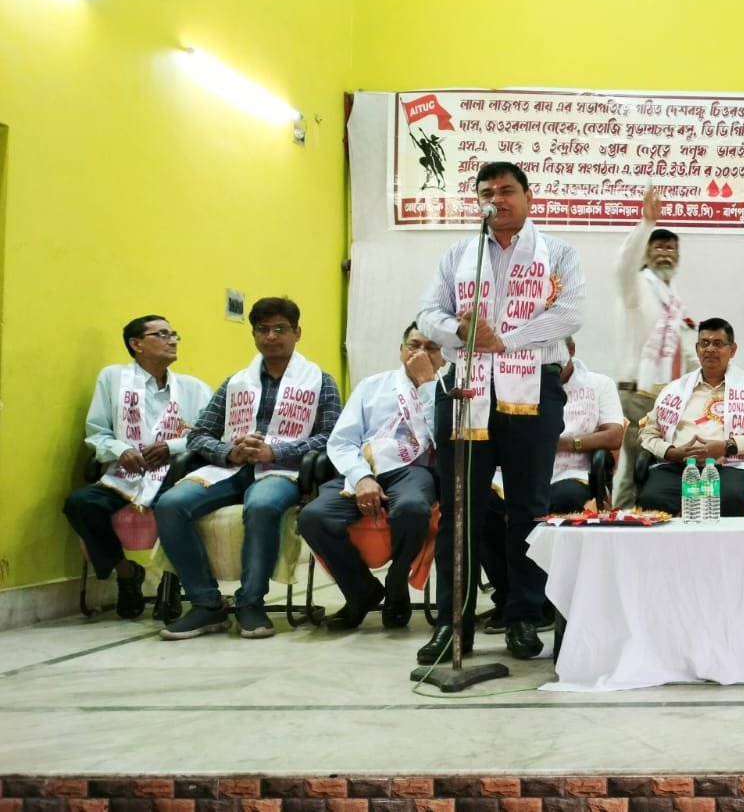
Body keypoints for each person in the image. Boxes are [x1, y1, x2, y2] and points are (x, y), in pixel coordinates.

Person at [415, 160, 586, 664]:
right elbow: (428, 312)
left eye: (507, 190)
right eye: (486, 193)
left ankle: (524, 617)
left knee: (529, 508)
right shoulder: (458, 254)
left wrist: (503, 339)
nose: (497, 200)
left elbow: (571, 313)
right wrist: (462, 331)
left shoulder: (558, 253)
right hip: (466, 389)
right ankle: (453, 624)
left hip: (533, 389)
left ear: (529, 197)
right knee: (460, 509)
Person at [153, 297, 341, 640]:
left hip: (283, 470)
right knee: (169, 504)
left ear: (297, 333)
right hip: (229, 468)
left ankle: (250, 603)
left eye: (280, 329)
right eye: (262, 329)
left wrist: (276, 450)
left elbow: (331, 436)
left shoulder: (320, 381)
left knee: (262, 505)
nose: (271, 336)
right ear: (253, 335)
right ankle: (206, 604)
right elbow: (199, 434)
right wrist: (229, 452)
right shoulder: (235, 382)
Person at [299, 323, 446, 631]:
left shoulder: (448, 392)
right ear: (401, 350)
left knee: (413, 509)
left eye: (431, 348)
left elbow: (448, 442)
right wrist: (361, 477)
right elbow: (342, 441)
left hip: (414, 470)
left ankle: (397, 580)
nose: (420, 353)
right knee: (314, 517)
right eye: (414, 345)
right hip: (365, 467)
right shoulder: (372, 386)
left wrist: (427, 384)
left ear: (444, 356)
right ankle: (361, 591)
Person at [63, 316, 211, 619]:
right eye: (162, 334)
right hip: (125, 474)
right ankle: (127, 573)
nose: (172, 340)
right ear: (136, 344)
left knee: (174, 506)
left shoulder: (193, 388)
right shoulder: (113, 379)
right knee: (80, 503)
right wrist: (121, 450)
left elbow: (208, 436)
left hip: (174, 472)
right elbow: (97, 432)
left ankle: (171, 583)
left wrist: (172, 447)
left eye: (174, 334)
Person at [479, 337, 625, 633]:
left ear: (569, 350)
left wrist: (565, 443)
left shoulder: (599, 384)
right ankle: (508, 595)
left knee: (552, 505)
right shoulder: (514, 383)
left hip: (570, 473)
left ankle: (543, 600)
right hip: (517, 472)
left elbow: (614, 435)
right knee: (483, 509)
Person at [637, 318, 744, 517]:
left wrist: (727, 446)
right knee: (652, 499)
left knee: (730, 498)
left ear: (732, 350)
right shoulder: (674, 390)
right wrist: (672, 452)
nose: (710, 349)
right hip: (677, 467)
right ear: (697, 349)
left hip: (727, 467)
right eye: (704, 343)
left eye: (718, 343)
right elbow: (648, 434)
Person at [614, 186, 693, 509]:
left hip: (669, 397)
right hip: (638, 395)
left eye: (671, 248)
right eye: (658, 247)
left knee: (657, 470)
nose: (665, 253)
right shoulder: (637, 288)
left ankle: (646, 523)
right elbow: (623, 266)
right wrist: (645, 225)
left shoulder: (672, 298)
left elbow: (683, 350)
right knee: (638, 468)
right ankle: (621, 523)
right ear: (646, 255)